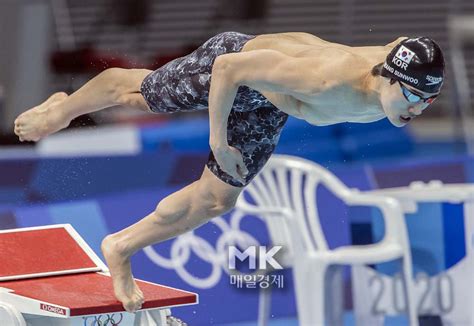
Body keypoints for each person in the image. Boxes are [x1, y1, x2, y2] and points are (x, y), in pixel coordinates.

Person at [13, 32, 445, 312]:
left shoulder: (398, 74)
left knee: (217, 200)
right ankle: (62, 111)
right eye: (413, 96)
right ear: (389, 79)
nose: (419, 108)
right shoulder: (326, 79)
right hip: (238, 63)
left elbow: (404, 43)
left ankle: (121, 247)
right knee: (139, 96)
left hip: (268, 104)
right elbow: (228, 70)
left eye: (429, 99)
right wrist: (217, 141)